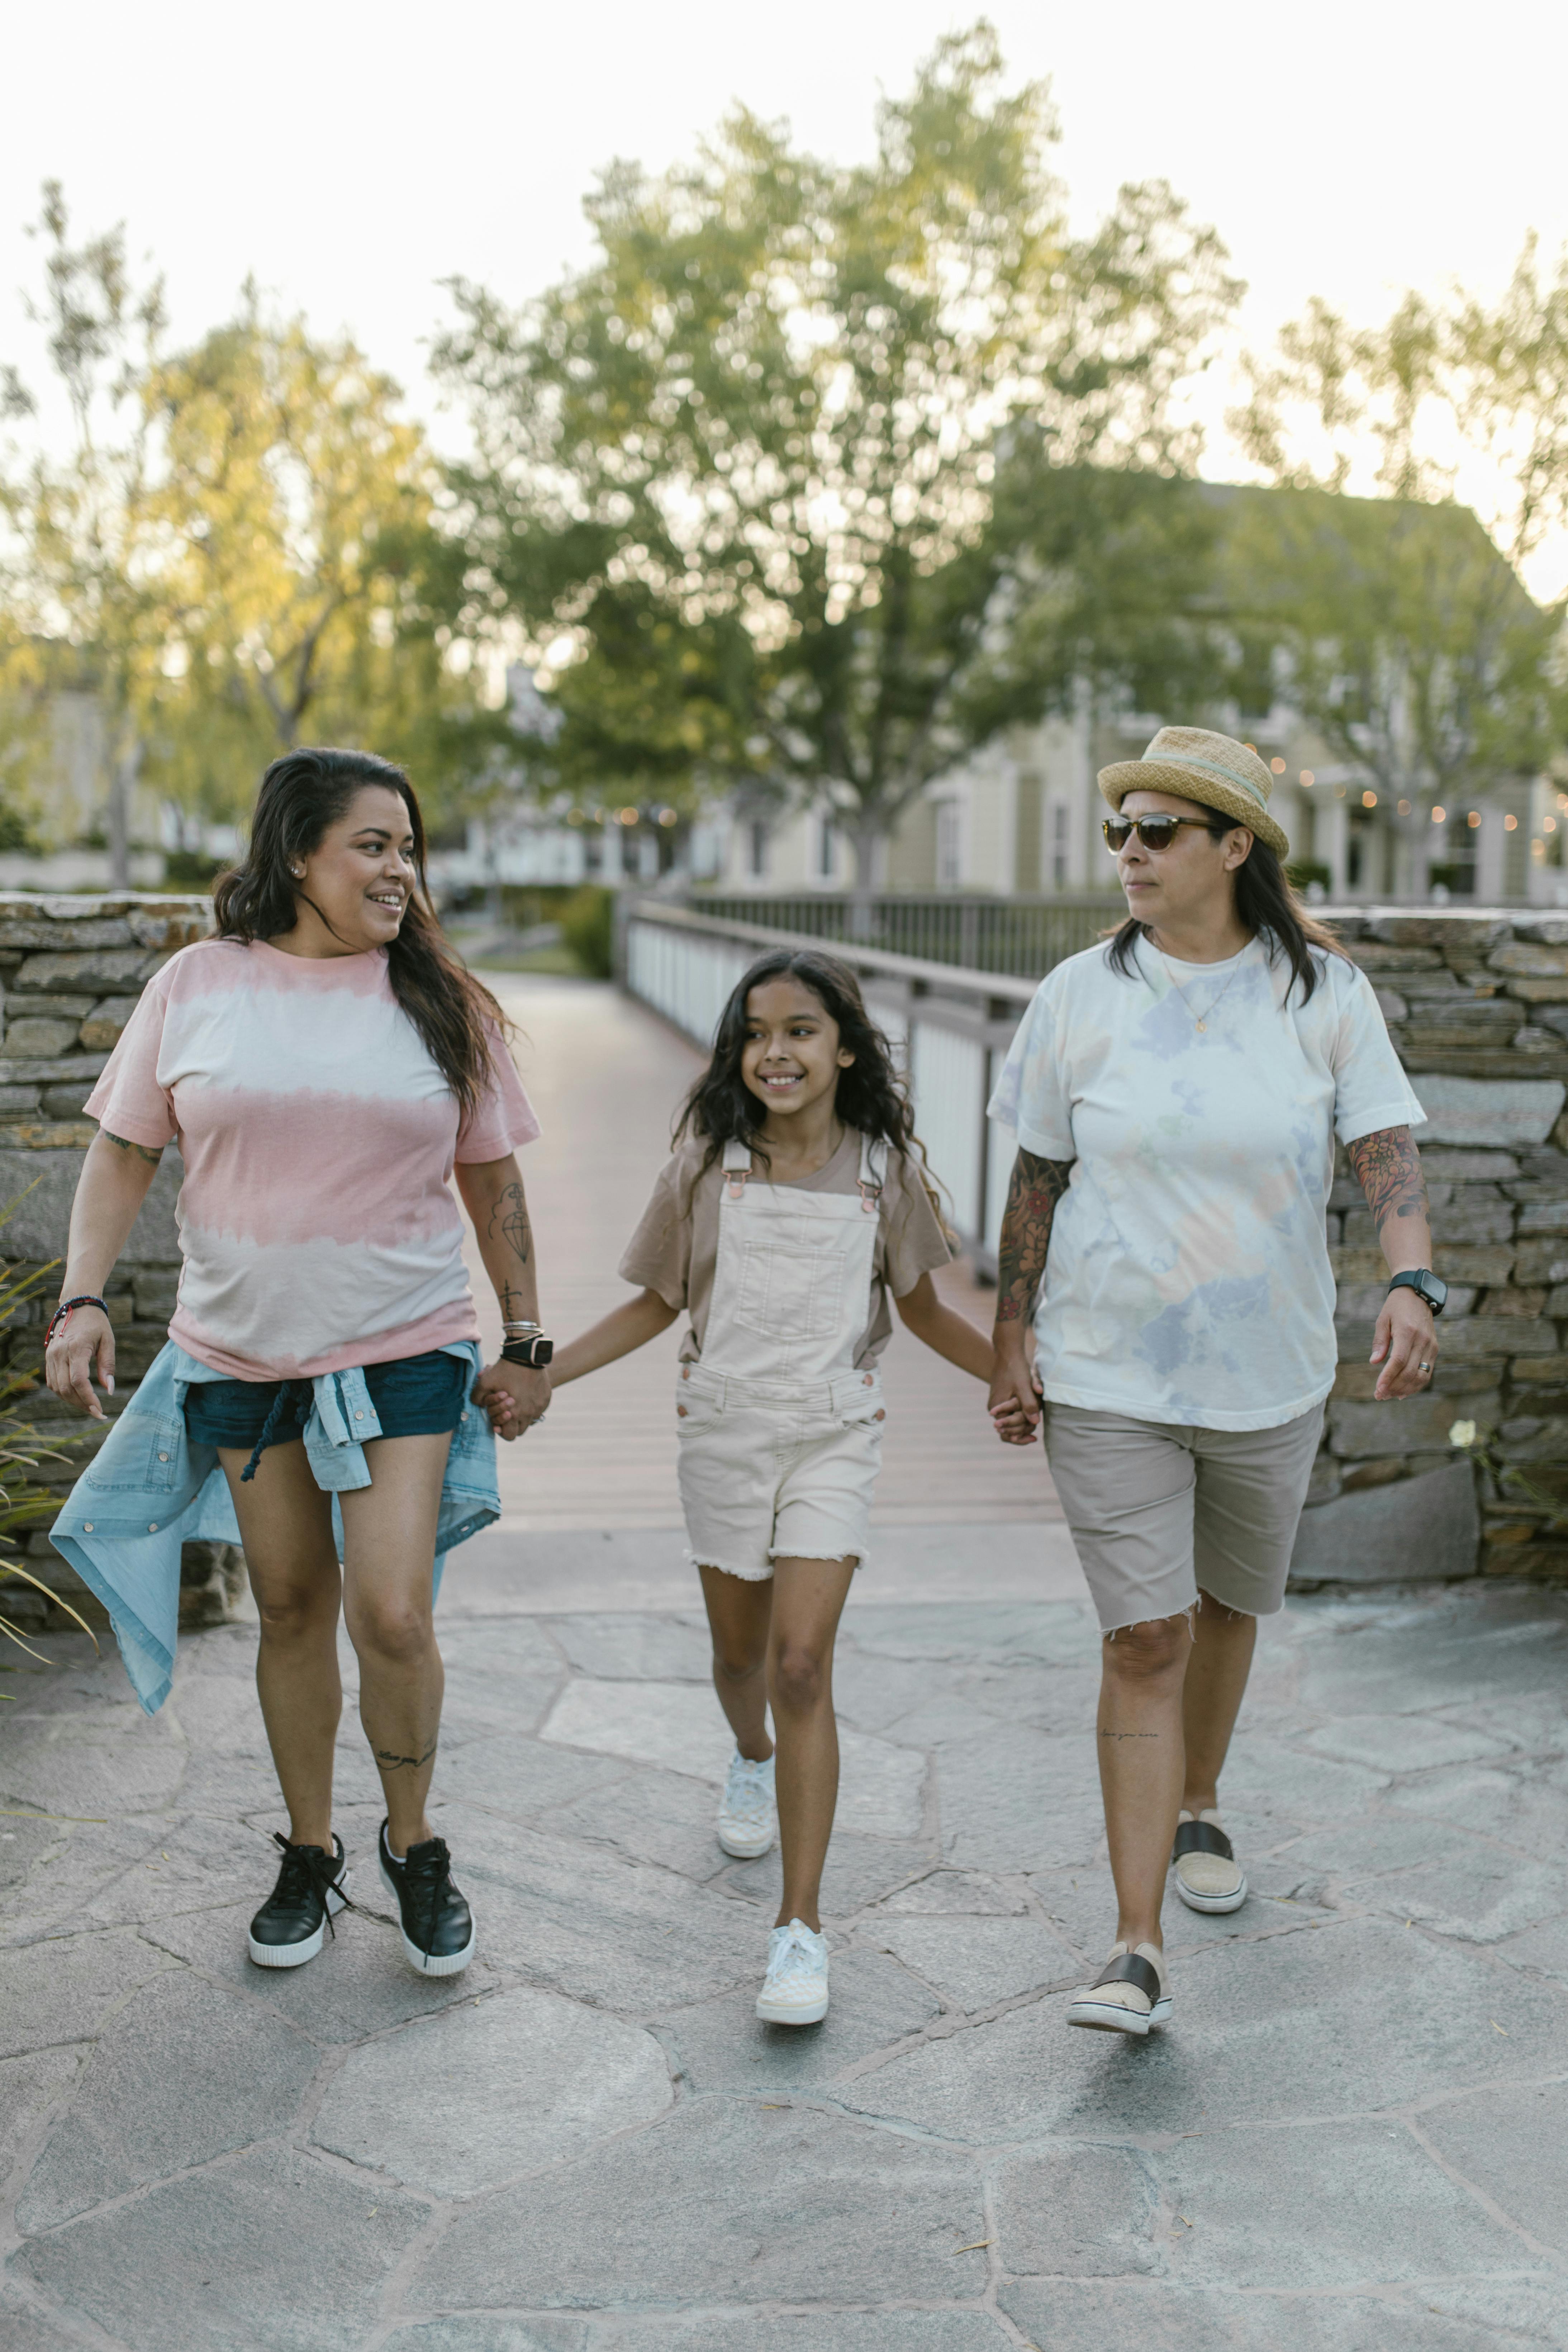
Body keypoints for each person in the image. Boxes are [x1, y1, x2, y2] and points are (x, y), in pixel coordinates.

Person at [47, 747, 551, 1980]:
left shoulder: (442, 1000)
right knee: (288, 1608)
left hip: (404, 1345)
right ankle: (312, 1853)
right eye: (372, 845)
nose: (399, 869)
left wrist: (527, 1333)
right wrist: (82, 1297)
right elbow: (123, 1154)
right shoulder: (197, 984)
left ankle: (415, 1844)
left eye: (407, 846)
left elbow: (493, 1182)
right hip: (242, 1352)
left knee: (391, 1610)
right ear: (296, 854)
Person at [987, 725, 1441, 2037]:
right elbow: (1037, 1175)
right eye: (1120, 829)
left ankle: (1200, 1800)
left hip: (1272, 1366)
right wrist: (1013, 1329)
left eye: (1158, 831)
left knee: (1229, 1606)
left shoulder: (1324, 997)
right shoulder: (1078, 993)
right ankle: (1135, 1943)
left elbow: (1387, 1155)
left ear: (1234, 847)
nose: (1128, 850)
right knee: (1146, 1635)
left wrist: (1412, 1281)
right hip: (1107, 1363)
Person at [548, 949, 1017, 2025]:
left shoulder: (882, 1170)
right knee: (741, 1659)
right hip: (721, 1432)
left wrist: (1013, 1376)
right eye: (757, 1032)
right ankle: (750, 1754)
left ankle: (799, 1928)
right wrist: (544, 1374)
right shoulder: (707, 1164)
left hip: (832, 1438)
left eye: (802, 1029)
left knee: (803, 1663)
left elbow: (930, 1310)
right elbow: (655, 1304)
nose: (777, 1051)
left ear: (846, 1046)